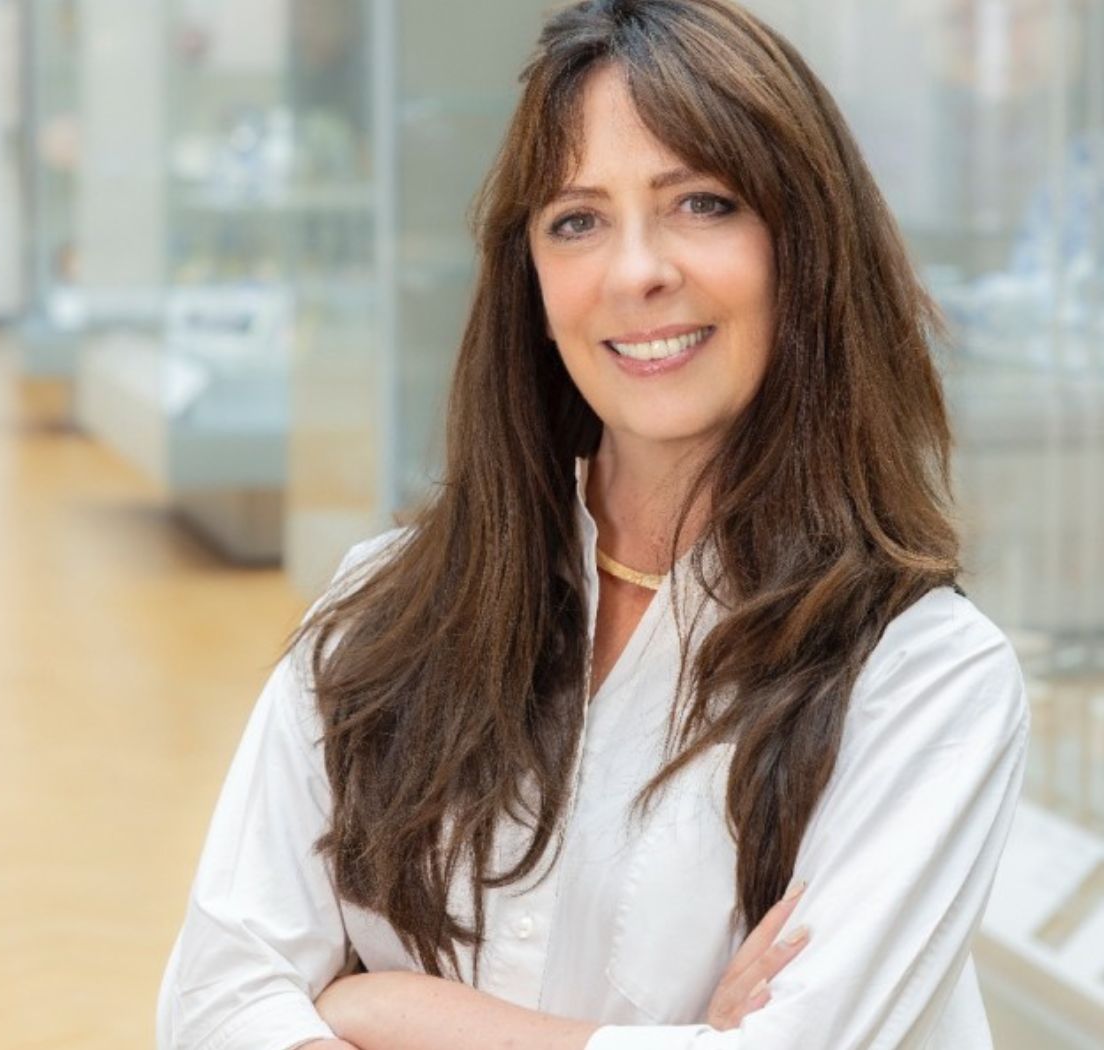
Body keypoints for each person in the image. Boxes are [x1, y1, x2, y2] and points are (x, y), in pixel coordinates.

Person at [157, 1, 1030, 1047]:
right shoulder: (381, 610)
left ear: (807, 242)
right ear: (527, 275)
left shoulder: (922, 678)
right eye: (575, 219)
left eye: (700, 203)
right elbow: (216, 1003)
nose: (634, 272)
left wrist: (393, 1009)